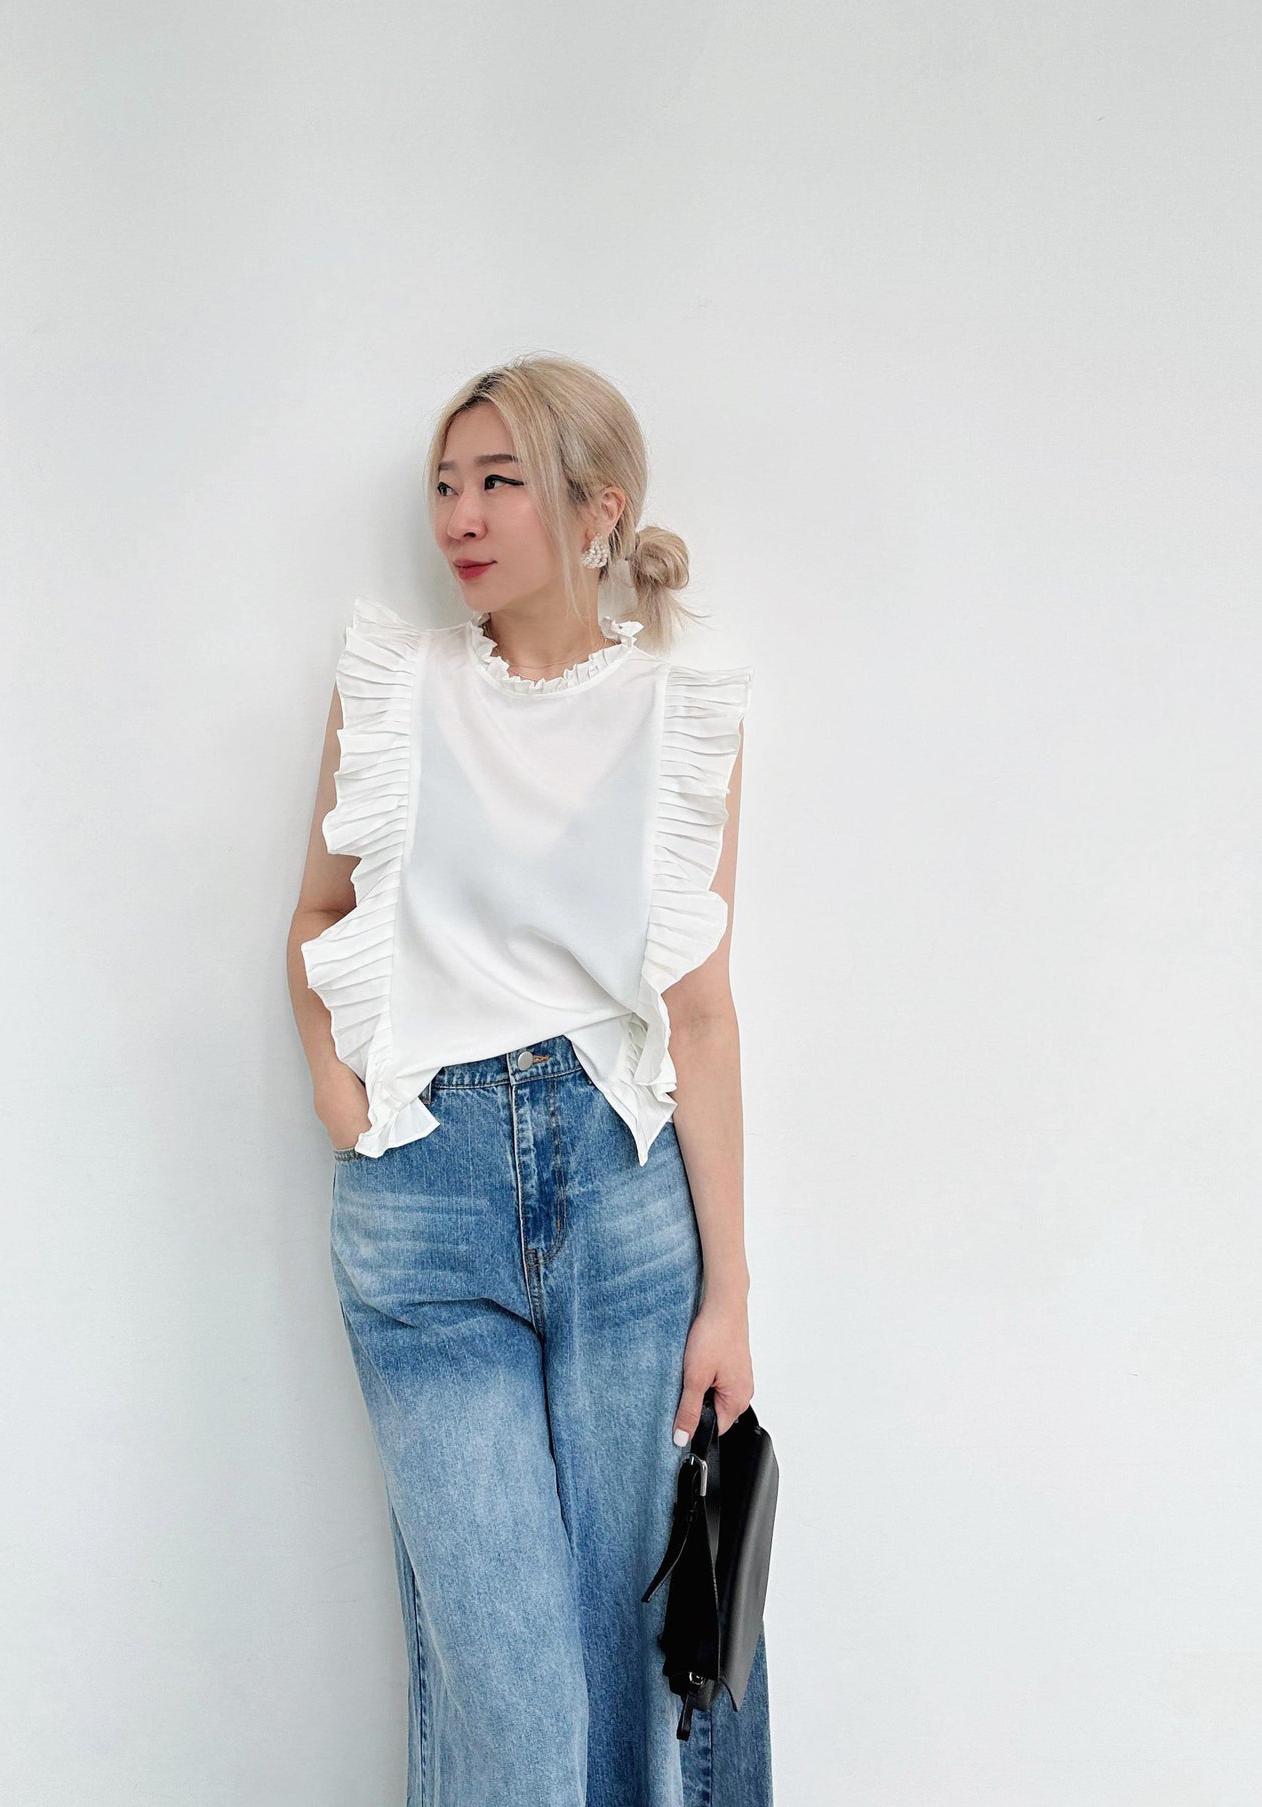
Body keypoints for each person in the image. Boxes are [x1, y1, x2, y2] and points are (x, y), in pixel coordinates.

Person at [287, 353, 773, 1805]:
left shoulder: (679, 709)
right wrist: (342, 1102)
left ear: (597, 508)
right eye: (446, 484)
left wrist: (730, 1296)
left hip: (622, 1188)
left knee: (640, 1654)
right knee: (510, 1687)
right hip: (422, 1201)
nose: (460, 515)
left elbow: (699, 1015)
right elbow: (314, 916)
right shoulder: (396, 688)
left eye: (498, 481)